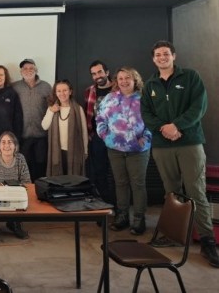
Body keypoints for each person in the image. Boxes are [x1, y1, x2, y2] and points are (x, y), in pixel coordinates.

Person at [141, 40, 219, 268]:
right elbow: (146, 113)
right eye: (158, 54)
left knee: (196, 192)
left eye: (166, 53)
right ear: (153, 59)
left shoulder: (191, 77)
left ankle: (207, 241)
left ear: (173, 56)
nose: (162, 57)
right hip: (162, 145)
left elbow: (199, 106)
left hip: (190, 142)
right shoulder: (150, 85)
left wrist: (177, 126)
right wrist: (164, 129)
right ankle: (174, 235)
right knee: (172, 193)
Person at [96, 67, 152, 235]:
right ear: (116, 81)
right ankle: (122, 217)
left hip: (138, 150)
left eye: (128, 78)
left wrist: (146, 139)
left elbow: (153, 121)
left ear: (135, 80)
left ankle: (139, 219)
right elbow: (100, 118)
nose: (124, 81)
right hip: (115, 149)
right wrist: (105, 136)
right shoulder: (109, 98)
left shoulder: (144, 99)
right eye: (120, 78)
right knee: (120, 183)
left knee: (138, 184)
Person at [12, 58, 52, 181]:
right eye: (25, 68)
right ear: (21, 72)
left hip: (42, 135)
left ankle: (39, 189)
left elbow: (52, 107)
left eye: (31, 68)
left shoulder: (46, 86)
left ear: (36, 70)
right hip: (23, 135)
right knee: (24, 166)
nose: (28, 70)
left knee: (41, 165)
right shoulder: (15, 87)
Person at [84, 60, 116, 205]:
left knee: (117, 173)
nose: (97, 76)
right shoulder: (89, 91)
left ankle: (118, 206)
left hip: (117, 137)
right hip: (97, 138)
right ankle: (105, 205)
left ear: (107, 72)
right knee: (99, 172)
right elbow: (88, 114)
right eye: (94, 74)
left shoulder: (118, 88)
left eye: (100, 72)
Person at [41, 79, 87, 176]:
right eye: (59, 91)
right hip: (57, 151)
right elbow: (44, 126)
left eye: (65, 90)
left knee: (73, 179)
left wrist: (85, 151)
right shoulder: (52, 108)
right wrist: (51, 111)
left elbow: (84, 132)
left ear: (70, 91)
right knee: (58, 179)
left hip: (74, 151)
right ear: (55, 93)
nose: (62, 93)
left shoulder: (78, 109)